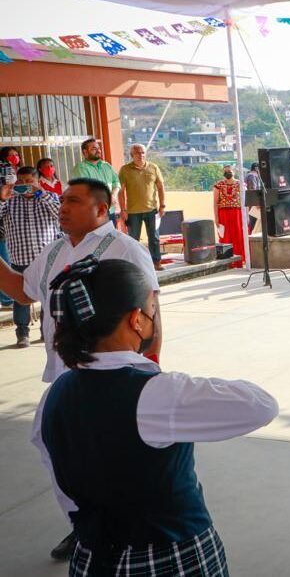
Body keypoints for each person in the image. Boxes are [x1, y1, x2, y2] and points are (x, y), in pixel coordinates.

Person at [35, 257, 278, 576]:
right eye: (153, 308)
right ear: (137, 320)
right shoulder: (157, 394)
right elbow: (261, 405)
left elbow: (64, 492)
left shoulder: (54, 395)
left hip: (92, 558)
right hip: (174, 557)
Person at [0, 178, 161, 560]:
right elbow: (23, 290)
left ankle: (125, 527)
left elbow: (150, 313)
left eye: (73, 200)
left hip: (115, 377)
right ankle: (84, 524)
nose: (63, 207)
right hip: (65, 375)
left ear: (101, 209)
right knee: (59, 452)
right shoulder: (56, 249)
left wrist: (150, 370)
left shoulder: (125, 249)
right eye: (63, 200)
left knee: (113, 458)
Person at [0, 166, 61, 346]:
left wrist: (40, 193)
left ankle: (46, 332)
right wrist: (1, 198)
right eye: (21, 182)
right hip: (20, 260)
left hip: (47, 258)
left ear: (38, 182)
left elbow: (59, 214)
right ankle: (22, 334)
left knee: (47, 297)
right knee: (21, 298)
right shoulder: (10, 202)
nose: (26, 186)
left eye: (30, 182)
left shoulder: (49, 198)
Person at [118, 143, 166, 271]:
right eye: (138, 153)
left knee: (154, 238)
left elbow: (161, 187)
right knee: (133, 240)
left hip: (152, 210)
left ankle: (156, 262)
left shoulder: (153, 167)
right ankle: (135, 264)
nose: (141, 155)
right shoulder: (125, 170)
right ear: (132, 155)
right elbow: (121, 191)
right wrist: (123, 210)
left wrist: (162, 206)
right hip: (133, 212)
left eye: (143, 152)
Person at [71, 138, 122, 225]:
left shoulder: (106, 166)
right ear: (85, 152)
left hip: (110, 211)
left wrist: (113, 195)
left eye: (98, 148)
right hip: (94, 212)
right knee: (98, 238)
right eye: (94, 149)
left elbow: (116, 183)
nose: (98, 151)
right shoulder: (81, 168)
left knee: (111, 238)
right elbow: (85, 190)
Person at [0, 146, 23, 309]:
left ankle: (7, 298)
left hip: (8, 219)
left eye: (16, 155)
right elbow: (10, 189)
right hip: (4, 221)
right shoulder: (6, 168)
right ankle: (7, 298)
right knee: (5, 259)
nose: (14, 157)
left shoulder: (17, 170)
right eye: (11, 155)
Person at [212, 164, 245, 268]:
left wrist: (245, 217)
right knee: (226, 237)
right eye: (225, 171)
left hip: (237, 213)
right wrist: (216, 217)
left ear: (233, 171)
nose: (228, 173)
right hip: (224, 214)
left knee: (238, 236)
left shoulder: (240, 184)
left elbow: (245, 201)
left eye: (229, 171)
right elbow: (215, 202)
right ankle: (227, 262)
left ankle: (240, 260)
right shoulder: (218, 185)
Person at [244, 162, 262, 233]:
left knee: (251, 224)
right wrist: (256, 202)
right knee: (251, 224)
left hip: (250, 202)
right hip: (253, 204)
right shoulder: (252, 176)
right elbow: (253, 190)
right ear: (257, 168)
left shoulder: (249, 175)